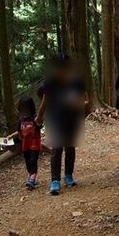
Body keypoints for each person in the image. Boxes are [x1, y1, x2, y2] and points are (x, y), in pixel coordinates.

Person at [36, 53, 88, 195]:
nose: (61, 72)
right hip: (55, 119)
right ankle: (55, 181)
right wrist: (39, 117)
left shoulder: (77, 81)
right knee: (57, 149)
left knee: (70, 147)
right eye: (58, 68)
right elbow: (45, 101)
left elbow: (85, 100)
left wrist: (76, 104)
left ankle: (69, 175)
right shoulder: (51, 81)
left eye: (63, 68)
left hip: (72, 118)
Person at [9, 96, 42, 189]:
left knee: (33, 160)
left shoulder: (35, 118)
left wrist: (38, 120)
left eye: (27, 108)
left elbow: (40, 124)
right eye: (23, 108)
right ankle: (31, 175)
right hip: (25, 145)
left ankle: (32, 177)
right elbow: (19, 132)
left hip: (35, 145)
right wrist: (10, 136)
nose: (25, 110)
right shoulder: (21, 120)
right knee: (27, 162)